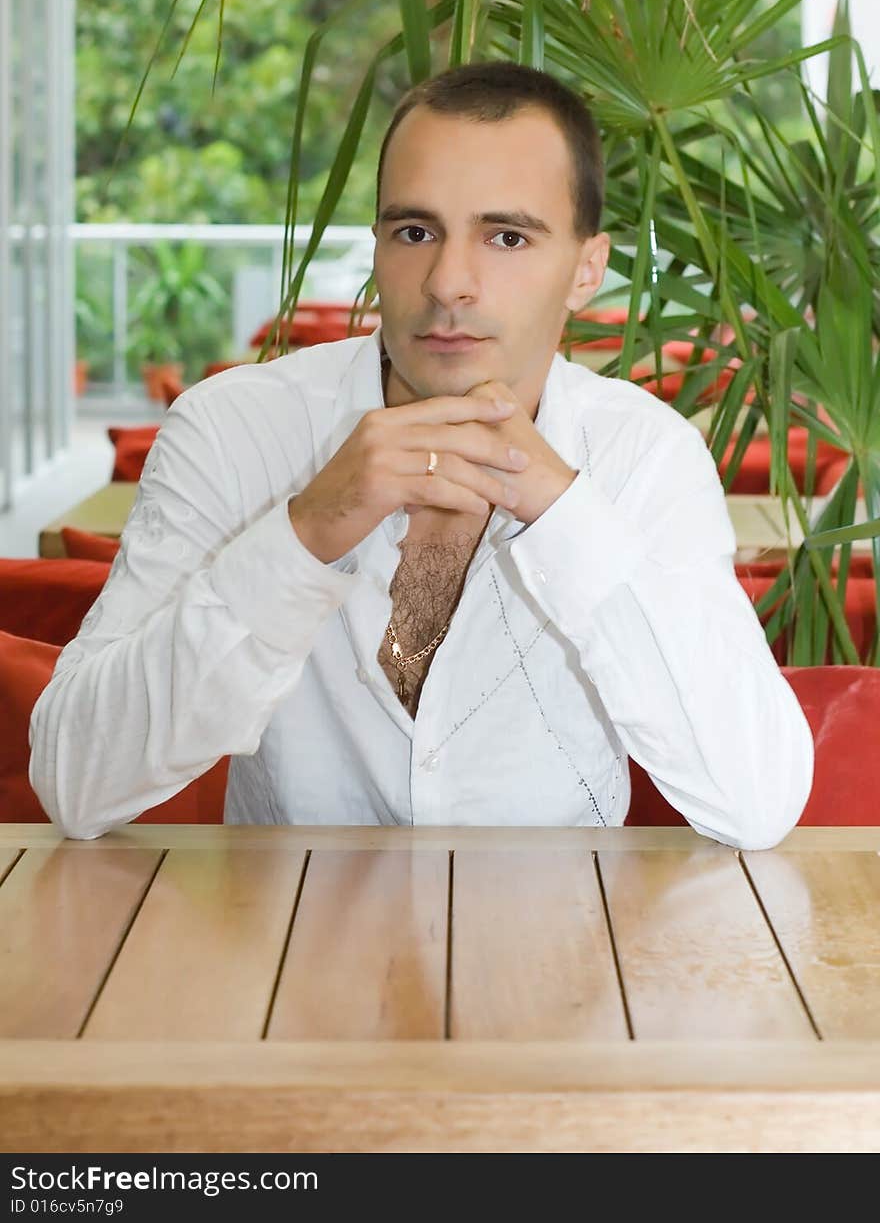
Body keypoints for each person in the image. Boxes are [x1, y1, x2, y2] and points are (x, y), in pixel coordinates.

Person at [29, 61, 813, 845]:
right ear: (376, 245)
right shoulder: (233, 431)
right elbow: (75, 783)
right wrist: (303, 535)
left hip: (559, 948)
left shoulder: (644, 457)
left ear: (587, 270)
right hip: (285, 950)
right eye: (415, 231)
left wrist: (560, 509)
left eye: (507, 236)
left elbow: (757, 803)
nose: (448, 283)